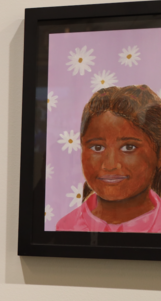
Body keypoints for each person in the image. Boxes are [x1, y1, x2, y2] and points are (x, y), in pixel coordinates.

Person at [56, 85, 161, 232]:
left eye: (128, 147)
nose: (110, 165)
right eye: (97, 147)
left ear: (159, 154)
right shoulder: (66, 227)